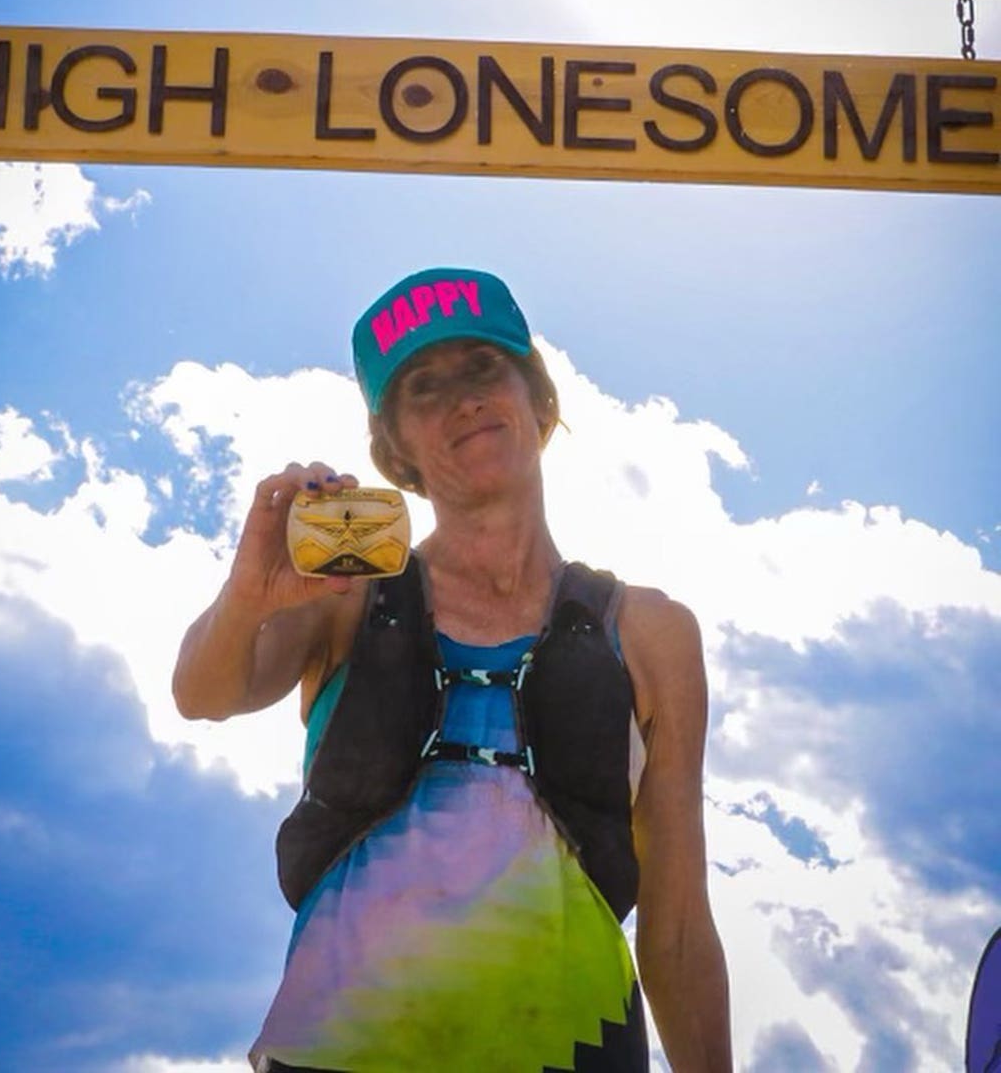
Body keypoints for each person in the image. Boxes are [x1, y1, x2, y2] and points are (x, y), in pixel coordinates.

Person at [172, 267, 732, 1072]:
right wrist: (250, 591)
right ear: (394, 446)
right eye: (423, 388)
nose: (464, 399)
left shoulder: (651, 632)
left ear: (538, 399)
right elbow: (203, 693)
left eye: (483, 367)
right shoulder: (344, 597)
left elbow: (677, 923)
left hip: (575, 1048)